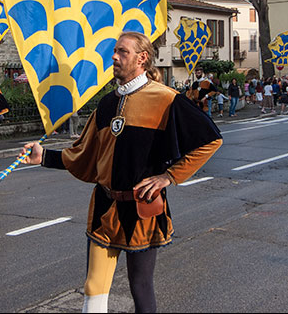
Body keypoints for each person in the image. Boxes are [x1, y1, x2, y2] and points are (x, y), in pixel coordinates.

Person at [19, 31, 222, 313]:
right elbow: (84, 154)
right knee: (93, 287)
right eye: (114, 51)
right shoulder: (106, 104)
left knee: (140, 286)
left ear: (142, 58)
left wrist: (169, 177)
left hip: (142, 206)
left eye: (122, 52)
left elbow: (211, 139)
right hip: (105, 206)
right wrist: (45, 158)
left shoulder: (166, 99)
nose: (114, 56)